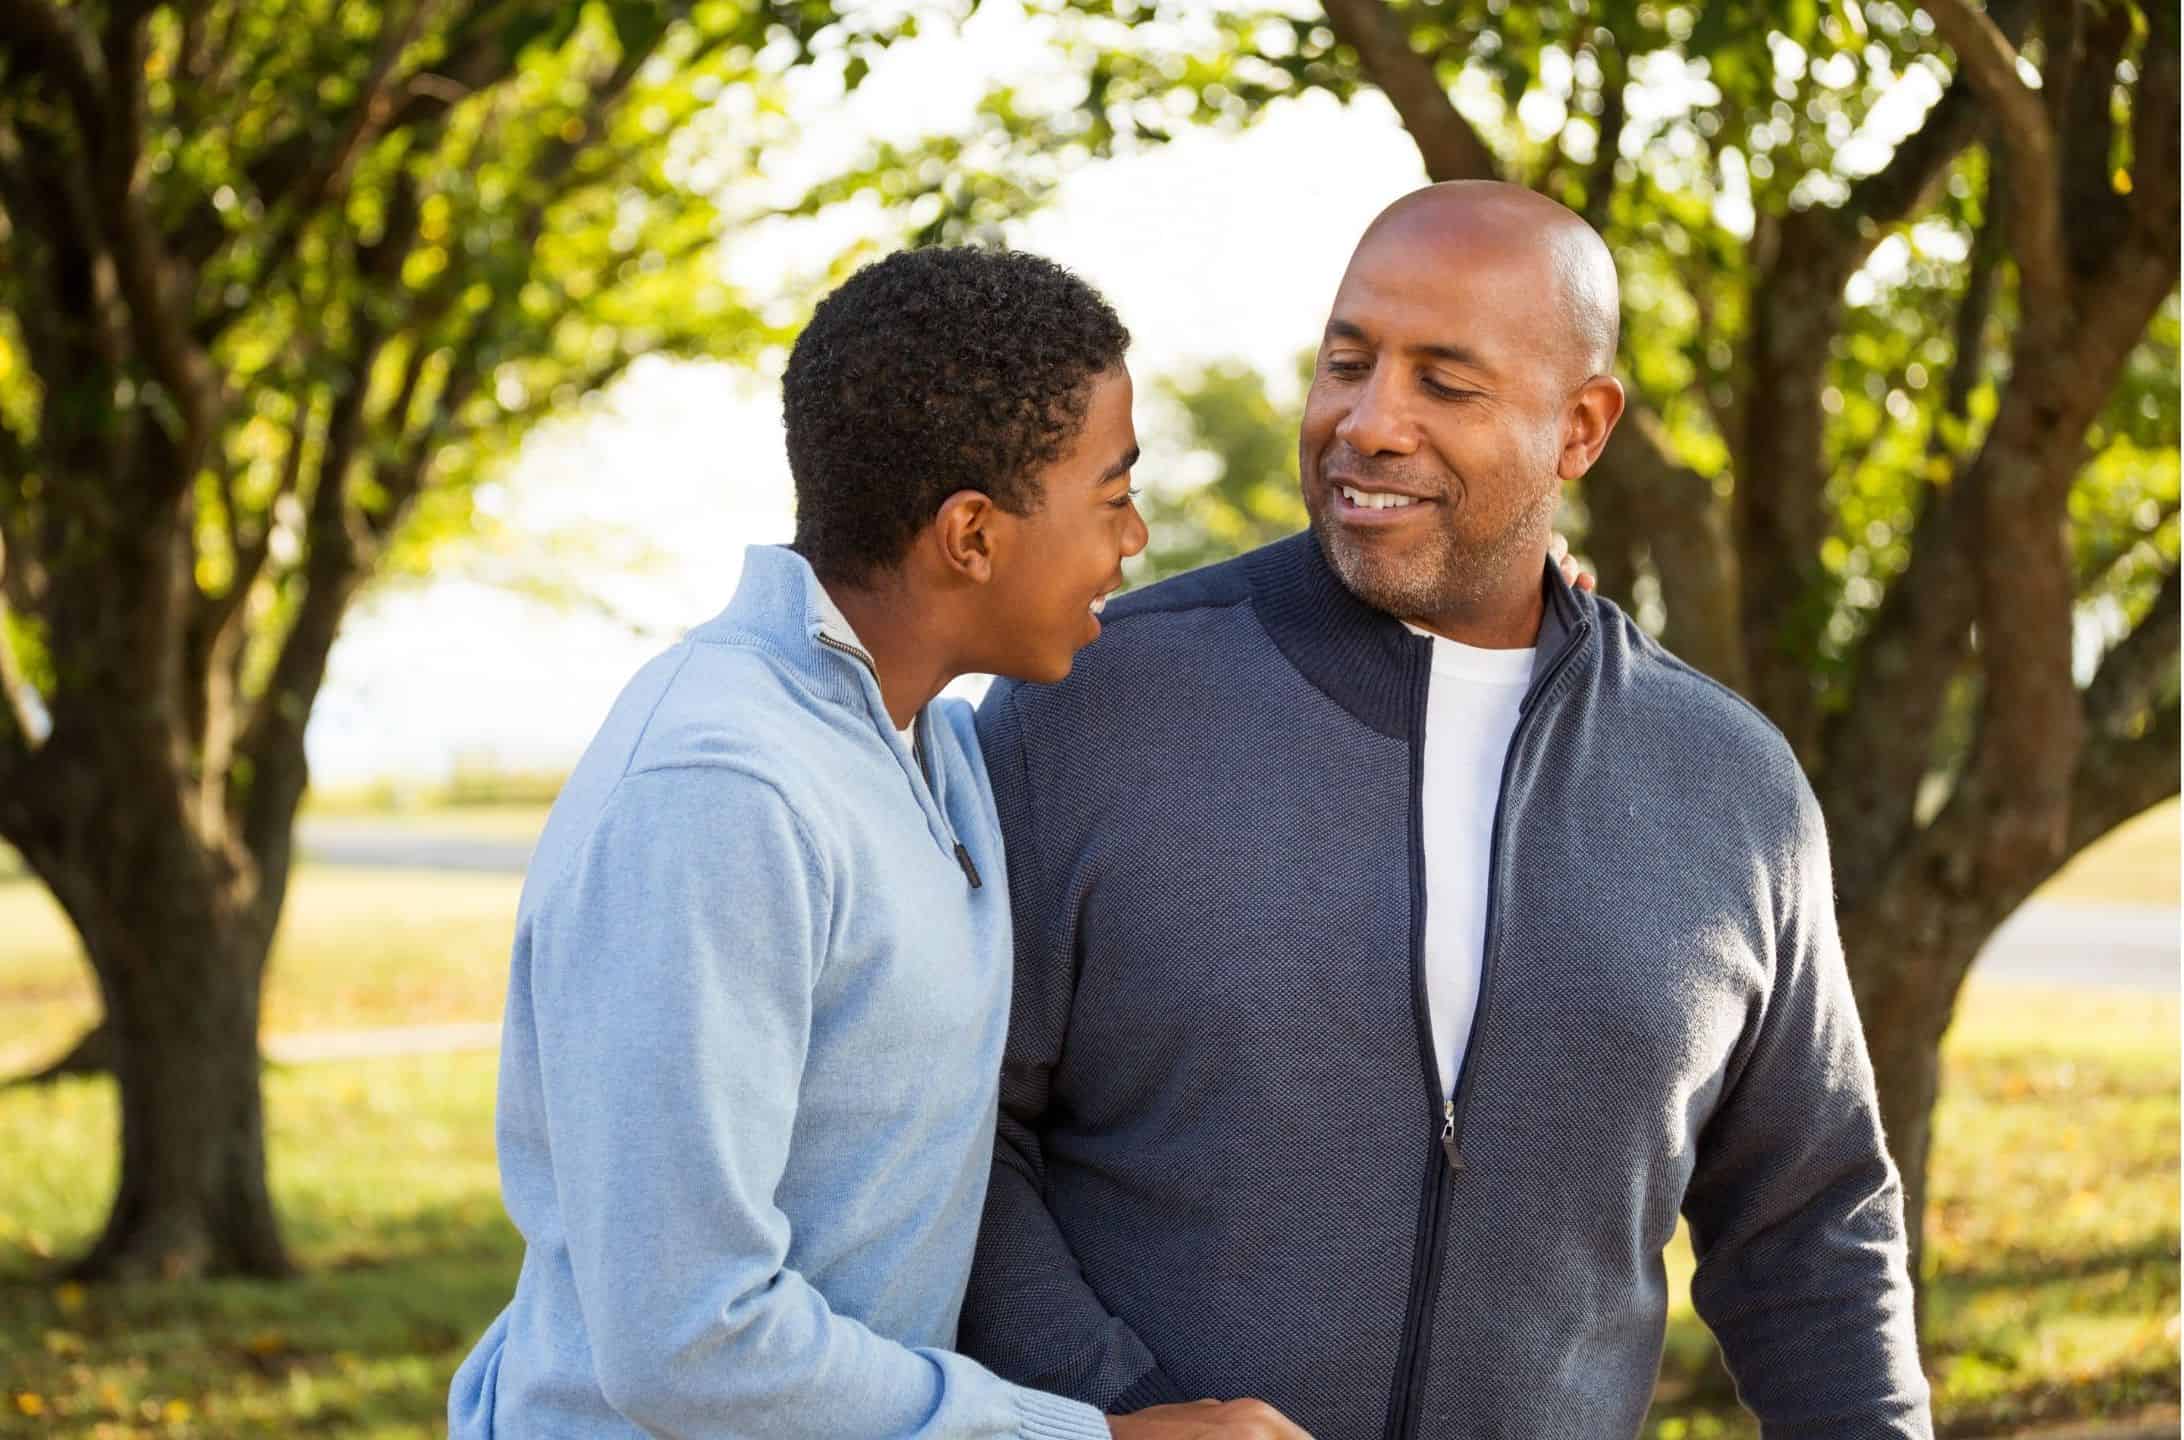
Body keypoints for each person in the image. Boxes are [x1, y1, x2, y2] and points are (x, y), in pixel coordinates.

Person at [959, 181, 1931, 1439]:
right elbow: (954, 1138)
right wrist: (1116, 1412)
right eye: (1348, 362)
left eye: (1445, 384)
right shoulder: (1090, 700)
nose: (1370, 423)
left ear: (1579, 430)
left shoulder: (1728, 784)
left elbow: (1813, 1222)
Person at [447, 247, 1314, 1439]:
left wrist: (1500, 618)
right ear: (971, 535)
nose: (1136, 536)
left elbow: (1179, 656)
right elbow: (686, 1338)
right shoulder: (720, 795)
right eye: (1111, 494)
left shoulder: (934, 746)